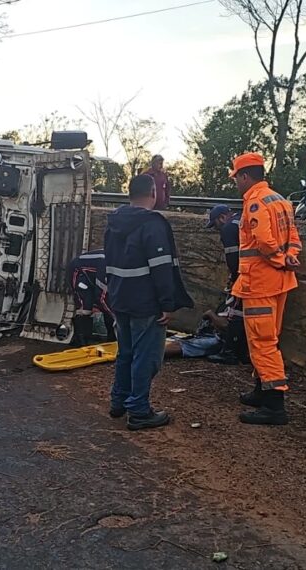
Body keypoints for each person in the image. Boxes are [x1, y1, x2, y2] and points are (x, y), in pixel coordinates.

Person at [104, 174, 194, 430]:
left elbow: (107, 262)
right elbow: (161, 267)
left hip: (120, 298)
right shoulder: (152, 224)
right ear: (153, 192)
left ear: (129, 194)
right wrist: (168, 303)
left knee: (126, 353)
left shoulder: (114, 222)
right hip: (146, 303)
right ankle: (139, 410)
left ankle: (118, 401)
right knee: (147, 357)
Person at [229, 153, 301, 425]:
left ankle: (274, 406)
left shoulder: (256, 202)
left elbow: (263, 241)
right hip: (280, 282)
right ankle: (262, 391)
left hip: (260, 282)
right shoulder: (281, 200)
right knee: (269, 337)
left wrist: (281, 259)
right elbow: (293, 236)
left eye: (236, 177)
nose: (236, 182)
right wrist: (290, 257)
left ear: (246, 176)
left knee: (262, 342)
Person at [204, 205, 249, 365]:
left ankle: (230, 352)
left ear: (222, 217)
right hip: (260, 271)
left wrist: (234, 279)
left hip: (246, 274)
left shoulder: (229, 228)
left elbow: (233, 258)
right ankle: (245, 353)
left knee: (235, 313)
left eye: (216, 224)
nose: (217, 229)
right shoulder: (242, 218)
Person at [68, 249, 116, 346]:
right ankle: (80, 341)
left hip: (91, 274)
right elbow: (101, 296)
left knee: (111, 302)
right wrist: (116, 316)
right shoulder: (106, 263)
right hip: (78, 272)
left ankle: (112, 339)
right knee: (85, 306)